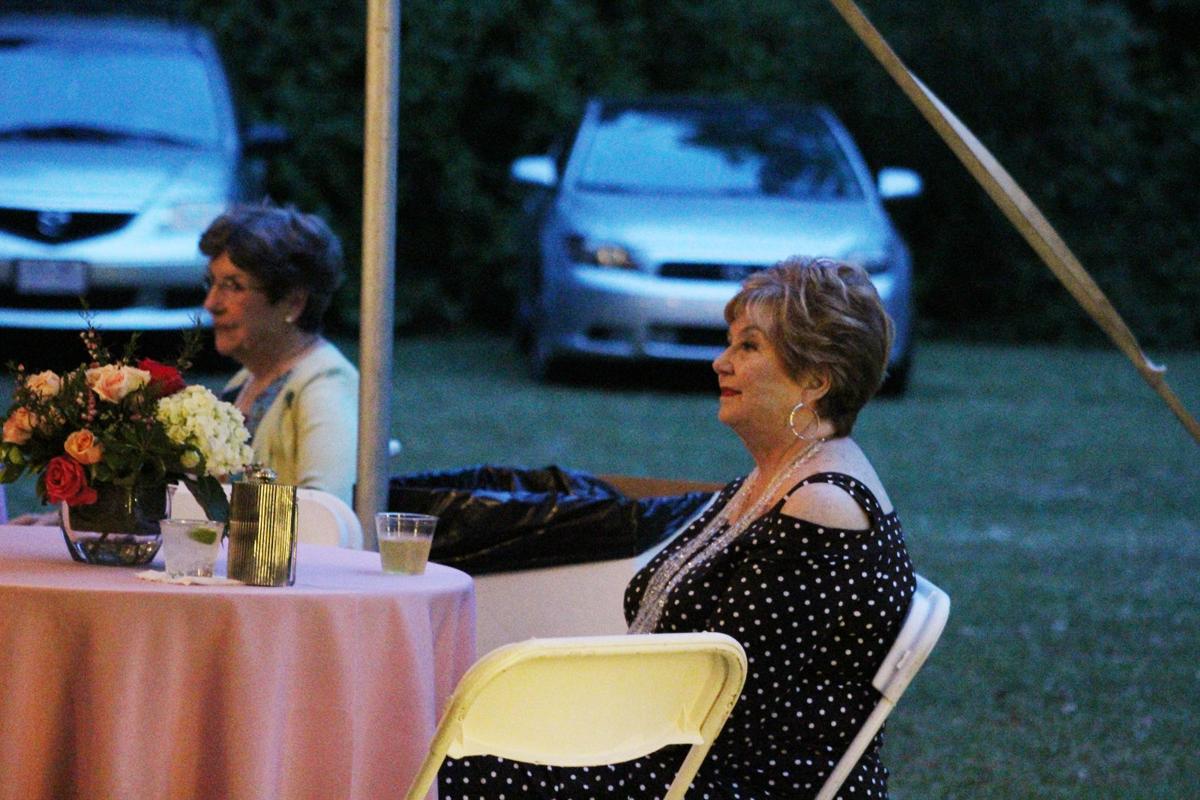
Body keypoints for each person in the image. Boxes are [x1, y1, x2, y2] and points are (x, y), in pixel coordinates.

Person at [439, 257, 917, 800]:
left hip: (745, 782)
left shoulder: (821, 508)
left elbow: (727, 697)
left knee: (457, 771)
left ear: (815, 379)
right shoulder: (767, 481)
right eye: (730, 343)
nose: (721, 363)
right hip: (685, 757)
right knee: (452, 744)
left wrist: (552, 707)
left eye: (749, 347)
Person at [200, 203, 359, 507]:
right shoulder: (245, 380)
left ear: (293, 303)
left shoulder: (325, 387)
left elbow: (326, 516)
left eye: (232, 286)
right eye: (212, 283)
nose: (212, 303)